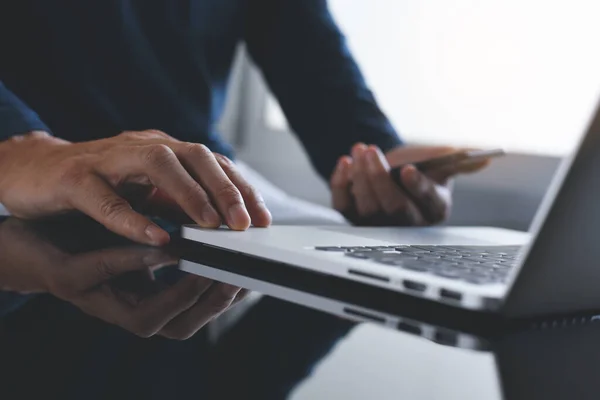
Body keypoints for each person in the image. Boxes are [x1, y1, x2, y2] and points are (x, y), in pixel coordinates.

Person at [0, 1, 487, 246]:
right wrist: (16, 143)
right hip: (30, 203)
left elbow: (323, 81)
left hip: (202, 215)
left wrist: (387, 171)